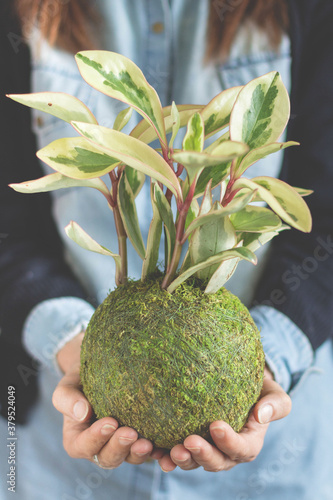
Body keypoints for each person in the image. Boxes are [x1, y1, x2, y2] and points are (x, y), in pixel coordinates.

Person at [0, 0, 332, 498]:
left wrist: (267, 360)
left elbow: (323, 221)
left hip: (274, 469)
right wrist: (70, 341)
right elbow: (11, 226)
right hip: (60, 460)